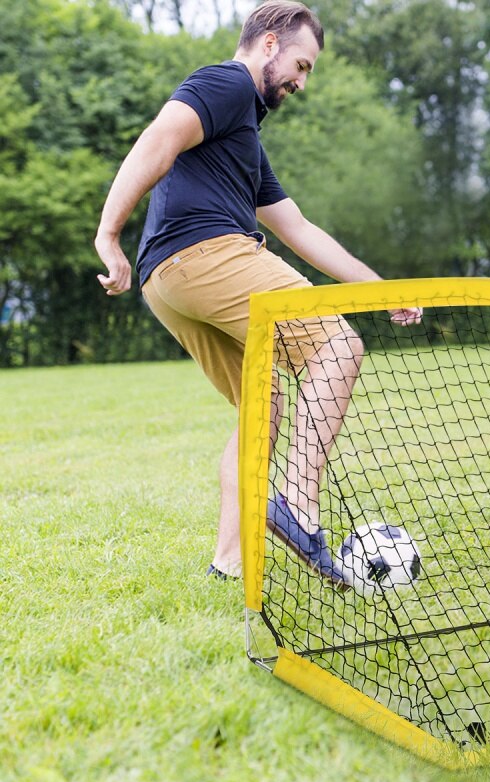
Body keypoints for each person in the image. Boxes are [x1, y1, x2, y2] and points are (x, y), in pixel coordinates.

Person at [94, 0, 421, 586]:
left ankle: (228, 561)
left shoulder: (243, 138)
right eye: (302, 64)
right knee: (337, 345)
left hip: (165, 281)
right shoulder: (227, 83)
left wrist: (378, 288)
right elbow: (157, 140)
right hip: (207, 256)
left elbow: (298, 230)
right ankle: (295, 504)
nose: (301, 80)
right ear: (269, 44)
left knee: (262, 407)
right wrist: (107, 232)